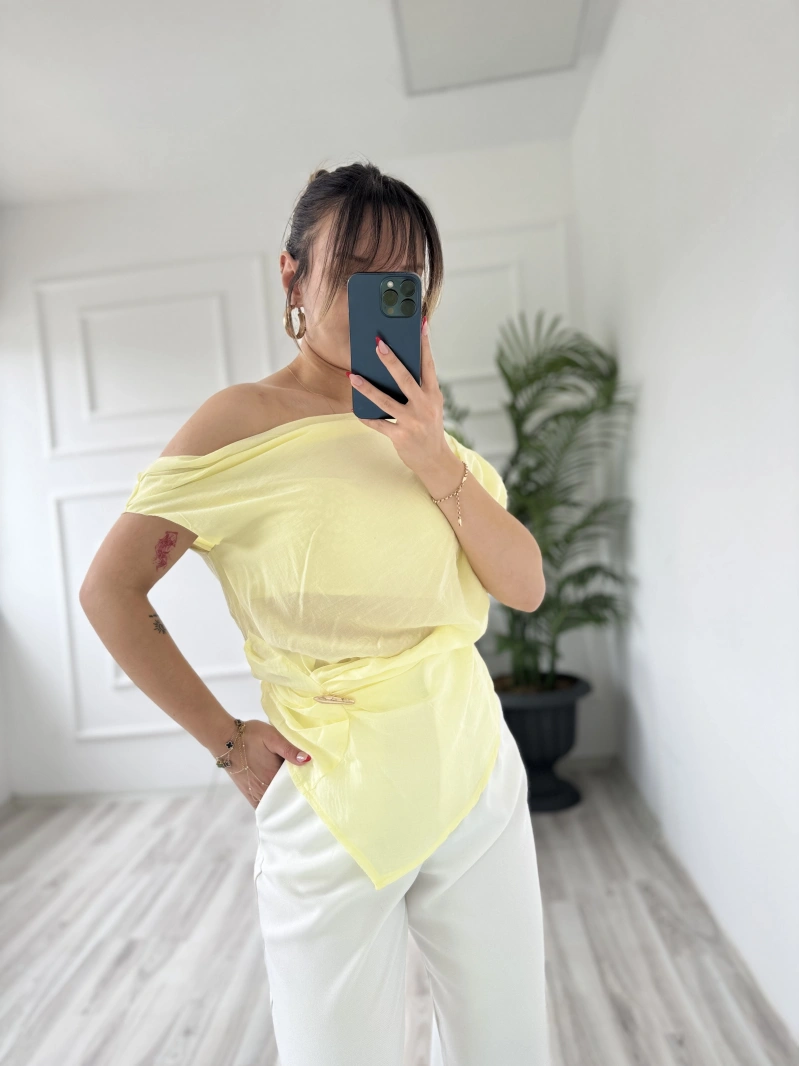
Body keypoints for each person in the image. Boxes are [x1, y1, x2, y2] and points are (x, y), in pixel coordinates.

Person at [80, 161, 550, 1065]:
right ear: (292, 274)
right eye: (356, 268)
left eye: (401, 276)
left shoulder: (429, 435)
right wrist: (227, 742)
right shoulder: (240, 422)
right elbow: (110, 589)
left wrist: (428, 454)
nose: (380, 293)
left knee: (509, 1048)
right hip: (330, 792)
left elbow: (524, 584)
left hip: (473, 773)